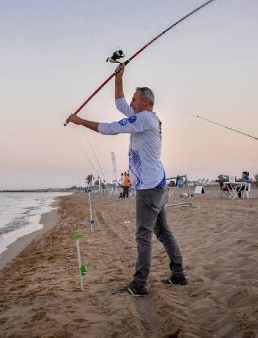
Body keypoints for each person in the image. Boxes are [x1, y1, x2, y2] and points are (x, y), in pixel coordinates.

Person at [66, 63, 187, 296]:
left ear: (145, 102)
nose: (130, 103)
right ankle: (178, 274)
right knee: (162, 232)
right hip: (157, 185)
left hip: (149, 188)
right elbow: (119, 104)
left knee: (143, 234)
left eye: (134, 99)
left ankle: (140, 285)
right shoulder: (143, 116)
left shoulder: (145, 120)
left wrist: (81, 122)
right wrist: (118, 77)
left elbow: (110, 128)